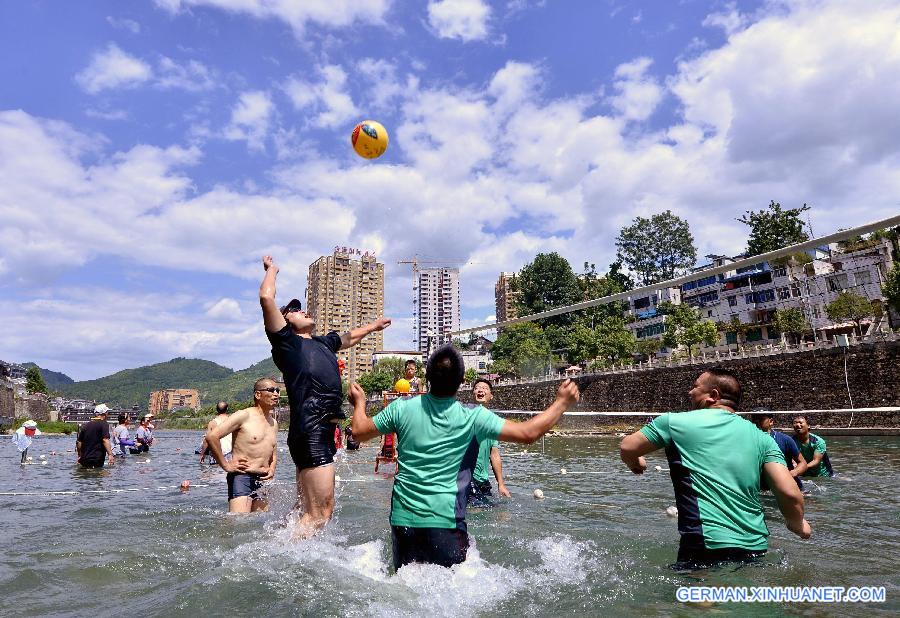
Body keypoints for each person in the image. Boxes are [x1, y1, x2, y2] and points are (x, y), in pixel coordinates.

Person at [349, 344, 580, 570]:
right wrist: (562, 402)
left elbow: (358, 432)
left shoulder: (401, 407)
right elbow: (528, 433)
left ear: (427, 376)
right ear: (462, 383)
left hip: (403, 522)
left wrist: (359, 404)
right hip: (446, 522)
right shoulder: (474, 415)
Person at [619, 369, 811, 569]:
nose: (689, 392)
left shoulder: (674, 423)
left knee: (694, 598)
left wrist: (635, 461)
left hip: (705, 544)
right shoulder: (763, 439)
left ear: (714, 396)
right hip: (756, 545)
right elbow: (789, 493)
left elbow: (627, 447)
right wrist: (796, 524)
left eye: (695, 387)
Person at [259, 255, 391, 534]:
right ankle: (284, 562)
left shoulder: (322, 343)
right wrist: (273, 270)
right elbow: (267, 299)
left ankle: (277, 546)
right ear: (284, 321)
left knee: (303, 510)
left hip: (318, 432)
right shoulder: (286, 343)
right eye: (294, 310)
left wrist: (373, 326)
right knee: (320, 515)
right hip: (311, 430)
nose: (303, 309)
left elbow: (348, 337)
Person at [205, 377, 279, 513]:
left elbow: (273, 450)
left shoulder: (273, 423)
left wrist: (272, 468)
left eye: (277, 390)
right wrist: (226, 465)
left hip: (263, 479)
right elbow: (212, 437)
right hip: (242, 476)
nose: (276, 394)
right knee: (239, 525)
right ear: (258, 394)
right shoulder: (243, 416)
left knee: (258, 526)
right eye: (271, 390)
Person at [468, 379, 510, 503]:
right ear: (473, 393)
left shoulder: (492, 421)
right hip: (467, 477)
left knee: (492, 510)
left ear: (491, 396)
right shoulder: (464, 416)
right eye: (477, 388)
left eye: (485, 388)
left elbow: (494, 454)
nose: (480, 390)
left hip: (483, 479)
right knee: (481, 509)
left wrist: (501, 484)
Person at [751, 412, 807, 489]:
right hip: (762, 488)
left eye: (761, 419)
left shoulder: (785, 440)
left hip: (788, 487)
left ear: (771, 421)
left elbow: (803, 463)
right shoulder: (748, 441)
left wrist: (791, 473)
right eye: (754, 420)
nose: (757, 423)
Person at [76, 404, 115, 468]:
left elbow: (79, 442)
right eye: (107, 412)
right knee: (98, 475)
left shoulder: (86, 425)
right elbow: (105, 440)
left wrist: (80, 455)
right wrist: (110, 454)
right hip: (96, 458)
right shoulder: (104, 424)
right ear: (104, 413)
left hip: (84, 459)